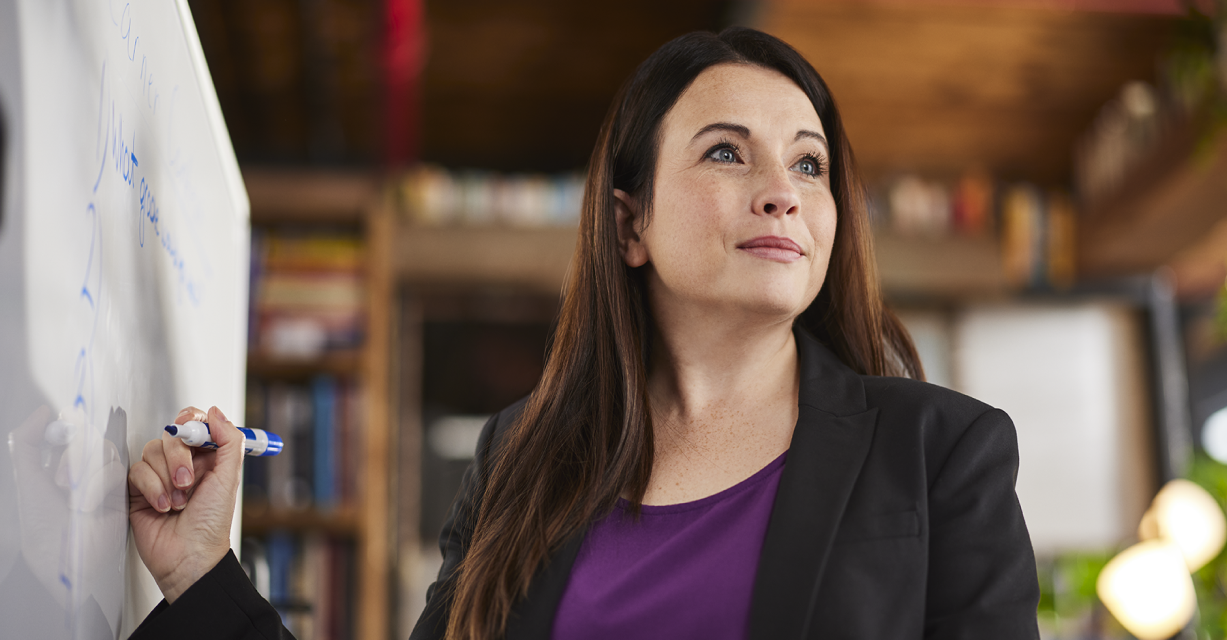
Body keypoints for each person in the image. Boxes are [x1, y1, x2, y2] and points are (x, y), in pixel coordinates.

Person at [127, 27, 1039, 640]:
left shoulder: (941, 448)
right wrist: (200, 570)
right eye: (727, 151)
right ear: (627, 224)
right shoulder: (519, 453)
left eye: (810, 162)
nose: (783, 191)